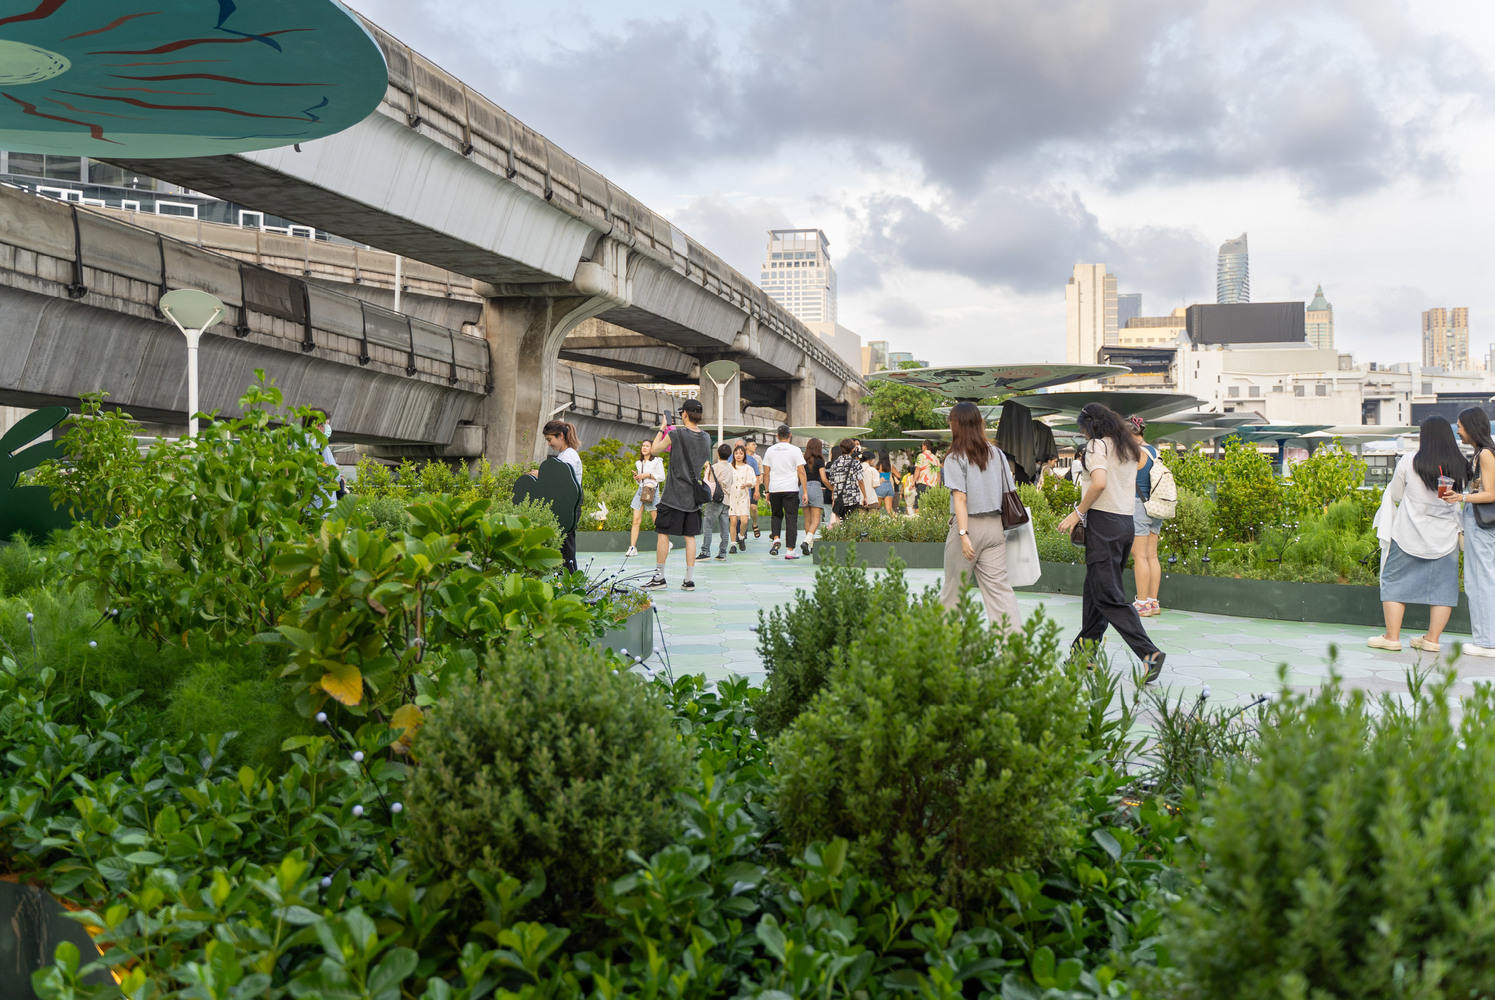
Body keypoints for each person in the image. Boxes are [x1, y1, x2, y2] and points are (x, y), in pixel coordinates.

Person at [1057, 403, 1165, 682]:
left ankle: (1149, 653)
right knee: (1095, 592)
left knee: (1108, 596)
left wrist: (1077, 513)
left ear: (1091, 425)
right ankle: (1084, 657)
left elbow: (1099, 483)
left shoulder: (1097, 446)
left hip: (1103, 524)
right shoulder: (1127, 447)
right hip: (1125, 524)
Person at [1370, 417, 1468, 652]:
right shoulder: (1460, 464)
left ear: (1424, 436)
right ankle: (1432, 640)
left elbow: (1396, 495)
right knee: (1443, 590)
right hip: (1445, 537)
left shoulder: (1409, 461)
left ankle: (1392, 638)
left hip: (1409, 534)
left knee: (1394, 582)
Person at [939, 401, 1020, 631]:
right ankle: (1014, 642)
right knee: (1000, 591)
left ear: (956, 424)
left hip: (969, 528)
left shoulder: (955, 457)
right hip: (995, 527)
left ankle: (943, 642)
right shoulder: (997, 453)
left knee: (954, 590)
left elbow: (960, 498)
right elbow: (1008, 489)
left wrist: (963, 534)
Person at [645, 399, 710, 591]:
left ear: (685, 414)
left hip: (672, 496)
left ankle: (659, 578)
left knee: (663, 534)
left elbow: (654, 450)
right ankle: (689, 580)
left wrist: (662, 428)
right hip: (693, 498)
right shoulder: (706, 438)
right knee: (690, 537)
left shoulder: (675, 434)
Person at [1446, 408, 1495, 656]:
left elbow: (1491, 494)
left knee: (1481, 581)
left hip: (1482, 524)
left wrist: (1461, 497)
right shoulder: (1481, 453)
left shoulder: (1485, 454)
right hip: (1478, 523)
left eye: (1460, 426)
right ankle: (1484, 638)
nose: (1458, 431)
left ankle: (1487, 641)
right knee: (1478, 580)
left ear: (1472, 427)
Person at [1128, 416, 1163, 617]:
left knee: (1139, 555)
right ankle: (1152, 602)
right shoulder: (1154, 451)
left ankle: (1141, 603)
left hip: (1139, 505)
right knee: (1152, 555)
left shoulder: (1135, 453)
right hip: (1156, 506)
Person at [538, 420, 583, 573]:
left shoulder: (569, 456)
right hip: (566, 503)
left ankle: (570, 580)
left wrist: (541, 475)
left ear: (561, 436)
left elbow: (562, 480)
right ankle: (567, 579)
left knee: (566, 547)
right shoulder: (564, 455)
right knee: (564, 546)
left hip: (568, 505)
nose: (549, 444)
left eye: (550, 439)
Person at [761, 424, 809, 559]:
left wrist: (767, 491)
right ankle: (790, 551)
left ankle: (776, 538)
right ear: (790, 435)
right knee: (791, 519)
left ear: (777, 436)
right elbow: (801, 471)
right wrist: (805, 491)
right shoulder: (795, 450)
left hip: (774, 488)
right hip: (791, 489)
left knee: (776, 515)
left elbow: (766, 473)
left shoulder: (770, 450)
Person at [626, 438, 665, 557]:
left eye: (647, 446)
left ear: (652, 449)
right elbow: (641, 481)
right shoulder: (639, 463)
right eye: (643, 445)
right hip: (641, 491)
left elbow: (662, 477)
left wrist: (647, 475)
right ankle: (632, 547)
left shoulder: (657, 461)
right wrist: (638, 478)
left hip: (652, 491)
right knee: (636, 520)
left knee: (656, 521)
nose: (644, 448)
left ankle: (666, 543)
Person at [699, 442, 735, 562]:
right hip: (727, 500)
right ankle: (722, 553)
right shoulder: (731, 467)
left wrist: (706, 469)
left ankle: (705, 551)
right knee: (724, 528)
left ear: (718, 454)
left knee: (708, 525)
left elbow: (707, 482)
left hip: (715, 499)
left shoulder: (715, 467)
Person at [803, 437, 832, 555]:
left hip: (803, 489)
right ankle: (806, 541)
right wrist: (832, 488)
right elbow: (824, 479)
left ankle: (810, 545)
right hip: (815, 487)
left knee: (807, 520)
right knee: (816, 520)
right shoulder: (819, 460)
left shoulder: (802, 459)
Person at [726, 444, 756, 552]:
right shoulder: (729, 467)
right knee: (733, 521)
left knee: (744, 521)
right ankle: (733, 544)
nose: (738, 455)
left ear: (744, 455)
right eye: (736, 453)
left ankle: (741, 536)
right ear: (733, 455)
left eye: (741, 453)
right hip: (732, 497)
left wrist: (748, 484)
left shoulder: (748, 468)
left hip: (743, 496)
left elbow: (753, 481)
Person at [827, 439, 863, 519]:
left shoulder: (834, 464)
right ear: (853, 449)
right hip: (853, 498)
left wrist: (834, 495)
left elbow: (832, 482)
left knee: (840, 522)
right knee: (852, 522)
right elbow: (860, 480)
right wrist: (865, 496)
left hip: (839, 499)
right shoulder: (855, 463)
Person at [743, 439, 763, 540]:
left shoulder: (757, 458)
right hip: (743, 486)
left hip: (754, 485)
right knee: (744, 509)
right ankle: (743, 530)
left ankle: (755, 524)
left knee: (753, 508)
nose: (755, 446)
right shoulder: (740, 456)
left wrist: (757, 489)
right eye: (753, 444)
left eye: (755, 444)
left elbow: (760, 473)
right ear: (746, 446)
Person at [914, 440, 941, 508]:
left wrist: (913, 482)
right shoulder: (936, 458)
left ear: (925, 446)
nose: (921, 447)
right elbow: (938, 474)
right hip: (933, 486)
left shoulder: (921, 456)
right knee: (930, 507)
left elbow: (917, 470)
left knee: (919, 506)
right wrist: (938, 486)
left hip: (923, 484)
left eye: (922, 445)